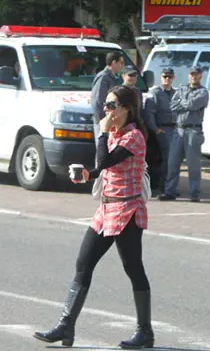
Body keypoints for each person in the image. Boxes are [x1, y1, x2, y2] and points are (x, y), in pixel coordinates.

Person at [33, 86, 154, 349]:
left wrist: (100, 133)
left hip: (127, 211)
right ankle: (66, 326)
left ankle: (145, 331)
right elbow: (103, 165)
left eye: (111, 105)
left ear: (127, 109)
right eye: (105, 106)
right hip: (106, 208)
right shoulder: (113, 134)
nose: (106, 111)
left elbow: (107, 159)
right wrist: (87, 173)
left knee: (133, 268)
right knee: (83, 263)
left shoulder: (134, 137)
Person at [160, 66, 209, 202]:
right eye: (192, 74)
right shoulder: (181, 89)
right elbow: (172, 106)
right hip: (179, 129)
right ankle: (169, 192)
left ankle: (194, 194)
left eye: (197, 74)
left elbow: (193, 104)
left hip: (193, 130)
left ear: (200, 76)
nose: (194, 76)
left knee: (193, 165)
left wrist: (184, 103)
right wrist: (186, 103)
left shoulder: (203, 92)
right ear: (188, 75)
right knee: (173, 163)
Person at [143, 68, 177, 196]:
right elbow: (149, 113)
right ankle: (164, 187)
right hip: (163, 129)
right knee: (168, 158)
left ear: (173, 78)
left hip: (175, 129)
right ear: (161, 77)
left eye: (169, 77)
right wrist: (155, 129)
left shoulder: (175, 93)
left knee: (174, 159)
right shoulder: (155, 93)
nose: (167, 79)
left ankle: (170, 187)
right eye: (165, 77)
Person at [91, 52, 125, 142]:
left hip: (111, 120)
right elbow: (98, 100)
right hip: (104, 120)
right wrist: (103, 120)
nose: (123, 65)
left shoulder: (113, 78)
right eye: (121, 62)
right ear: (114, 62)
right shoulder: (103, 77)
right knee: (102, 148)